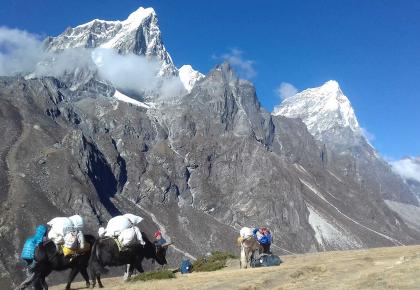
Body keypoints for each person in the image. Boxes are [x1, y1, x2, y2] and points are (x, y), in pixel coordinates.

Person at [16, 225, 48, 290]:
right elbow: (39, 250)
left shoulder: (31, 238)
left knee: (36, 272)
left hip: (25, 256)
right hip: (31, 256)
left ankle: (40, 288)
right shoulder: (40, 239)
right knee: (34, 274)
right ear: (44, 232)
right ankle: (21, 287)